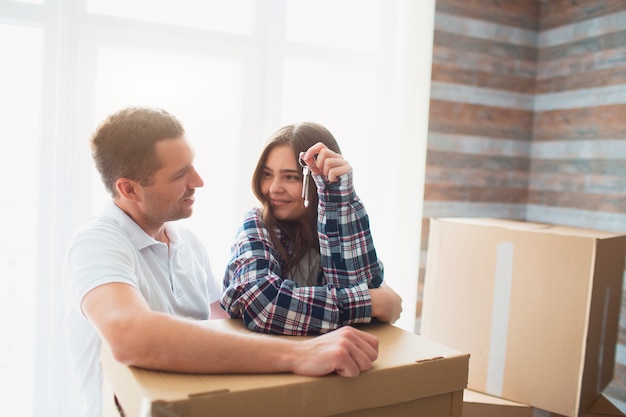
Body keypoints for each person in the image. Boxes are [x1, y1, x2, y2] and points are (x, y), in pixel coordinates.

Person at [62, 107, 380, 417]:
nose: (198, 181)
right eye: (179, 174)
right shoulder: (97, 241)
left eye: (192, 165)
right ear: (129, 189)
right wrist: (301, 353)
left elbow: (234, 329)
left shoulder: (187, 243)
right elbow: (130, 337)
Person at [221, 122, 402, 335]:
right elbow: (262, 305)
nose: (273, 188)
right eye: (267, 174)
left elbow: (364, 294)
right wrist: (371, 302)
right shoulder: (257, 223)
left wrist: (339, 200)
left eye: (291, 177)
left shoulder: (344, 217)